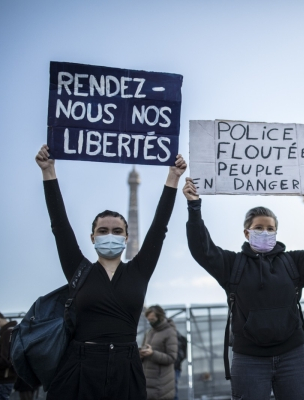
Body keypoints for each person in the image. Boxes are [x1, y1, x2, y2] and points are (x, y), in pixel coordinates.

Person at [35, 144, 186, 400]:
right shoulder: (78, 270)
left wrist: (172, 178)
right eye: (103, 231)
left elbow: (159, 226)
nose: (110, 236)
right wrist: (48, 172)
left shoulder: (139, 270)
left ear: (127, 238)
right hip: (81, 367)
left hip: (125, 367)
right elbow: (59, 225)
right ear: (92, 237)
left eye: (117, 231)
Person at [183, 177, 304, 400]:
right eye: (258, 228)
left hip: (293, 356)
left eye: (270, 228)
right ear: (246, 233)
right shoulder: (232, 265)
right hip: (249, 359)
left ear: (276, 232)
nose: (265, 232)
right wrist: (194, 206)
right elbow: (202, 250)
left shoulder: (293, 264)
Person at [141, 306, 178, 400]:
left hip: (161, 384)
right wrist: (141, 354)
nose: (151, 322)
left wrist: (152, 353)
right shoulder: (150, 332)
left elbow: (172, 358)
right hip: (148, 382)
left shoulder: (169, 332)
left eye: (152, 319)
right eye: (149, 320)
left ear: (160, 317)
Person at [0, 310, 17, 400]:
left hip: (2, 380)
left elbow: (6, 360)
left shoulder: (8, 333)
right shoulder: (10, 331)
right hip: (4, 379)